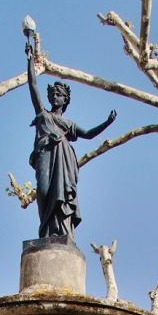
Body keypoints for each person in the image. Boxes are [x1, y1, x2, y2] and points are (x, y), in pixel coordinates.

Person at [26, 42, 116, 240]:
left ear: (65, 100)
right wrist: (30, 60)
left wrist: (107, 123)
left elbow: (89, 134)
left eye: (59, 95)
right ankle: (46, 232)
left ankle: (62, 232)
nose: (55, 97)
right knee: (43, 191)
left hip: (64, 160)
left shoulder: (67, 124)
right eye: (53, 94)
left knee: (61, 194)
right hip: (45, 157)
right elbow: (32, 86)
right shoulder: (43, 114)